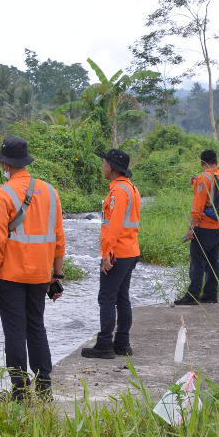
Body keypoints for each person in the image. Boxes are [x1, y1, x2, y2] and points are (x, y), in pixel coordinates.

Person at [0, 135, 66, 401]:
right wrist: (57, 275)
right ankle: (44, 385)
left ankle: (19, 389)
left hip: (10, 275)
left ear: (5, 164)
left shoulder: (3, 194)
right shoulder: (50, 191)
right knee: (36, 327)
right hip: (41, 275)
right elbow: (58, 238)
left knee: (15, 332)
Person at [82, 148, 142, 359]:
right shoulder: (131, 188)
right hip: (131, 250)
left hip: (118, 253)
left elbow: (114, 226)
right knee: (122, 297)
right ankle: (122, 342)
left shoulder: (118, 192)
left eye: (105, 163)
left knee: (107, 298)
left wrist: (107, 254)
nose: (103, 166)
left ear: (113, 168)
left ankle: (105, 344)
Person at [174, 149, 219, 306]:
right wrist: (196, 184)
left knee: (198, 261)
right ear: (216, 162)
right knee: (213, 261)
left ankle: (193, 295)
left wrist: (191, 228)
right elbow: (213, 198)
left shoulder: (204, 178)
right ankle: (211, 294)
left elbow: (199, 205)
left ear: (202, 163)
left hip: (204, 227)